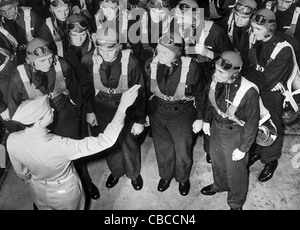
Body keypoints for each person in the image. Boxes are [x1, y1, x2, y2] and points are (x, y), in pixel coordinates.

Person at [7, 86, 140, 210]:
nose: (53, 109)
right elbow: (105, 141)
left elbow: (22, 173)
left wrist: (32, 180)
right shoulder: (60, 145)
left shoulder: (12, 139)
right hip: (65, 194)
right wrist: (122, 108)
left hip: (38, 190)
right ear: (40, 121)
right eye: (49, 110)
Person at [7, 37, 100, 200]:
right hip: (37, 124)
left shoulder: (62, 64)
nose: (48, 63)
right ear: (30, 60)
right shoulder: (18, 78)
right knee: (46, 162)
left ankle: (86, 182)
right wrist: (24, 134)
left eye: (50, 58)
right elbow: (14, 110)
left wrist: (78, 113)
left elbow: (75, 89)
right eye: (42, 60)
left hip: (65, 116)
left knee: (75, 152)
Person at [80, 27, 146, 191]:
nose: (105, 54)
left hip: (127, 110)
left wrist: (139, 121)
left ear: (119, 46)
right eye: (100, 49)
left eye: (110, 49)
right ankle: (116, 171)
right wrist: (89, 110)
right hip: (101, 108)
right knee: (108, 144)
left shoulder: (132, 63)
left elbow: (140, 94)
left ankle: (133, 174)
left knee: (128, 143)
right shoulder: (89, 60)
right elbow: (86, 87)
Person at [145, 31, 207, 195]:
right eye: (158, 51)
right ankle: (165, 175)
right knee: (162, 147)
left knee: (182, 149)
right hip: (158, 112)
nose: (159, 55)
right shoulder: (151, 63)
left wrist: (200, 118)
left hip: (182, 114)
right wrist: (143, 114)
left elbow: (201, 93)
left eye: (165, 52)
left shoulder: (192, 67)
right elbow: (144, 91)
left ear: (177, 53)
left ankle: (183, 178)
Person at [200, 51, 260, 210]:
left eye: (221, 72)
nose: (215, 73)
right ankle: (219, 185)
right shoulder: (216, 80)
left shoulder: (248, 92)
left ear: (233, 75)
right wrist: (206, 120)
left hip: (235, 133)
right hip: (216, 128)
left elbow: (252, 123)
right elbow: (210, 101)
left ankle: (236, 202)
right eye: (216, 69)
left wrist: (243, 148)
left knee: (236, 171)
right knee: (217, 161)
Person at [245, 8, 295, 182]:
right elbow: (249, 67)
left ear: (271, 29)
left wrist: (250, 82)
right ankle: (258, 151)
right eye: (253, 28)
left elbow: (266, 81)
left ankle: (270, 160)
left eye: (258, 29)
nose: (253, 32)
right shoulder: (256, 40)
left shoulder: (283, 49)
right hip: (258, 89)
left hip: (271, 95)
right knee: (256, 121)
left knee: (273, 124)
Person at [0, 0, 50, 65]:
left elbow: (46, 37)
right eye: (2, 11)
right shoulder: (1, 25)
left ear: (16, 5)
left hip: (37, 55)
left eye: (10, 8)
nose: (7, 13)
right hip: (15, 60)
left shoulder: (31, 16)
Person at [227, 0, 258, 67]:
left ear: (252, 17)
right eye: (237, 15)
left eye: (244, 17)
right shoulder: (229, 23)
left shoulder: (257, 33)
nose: (239, 20)